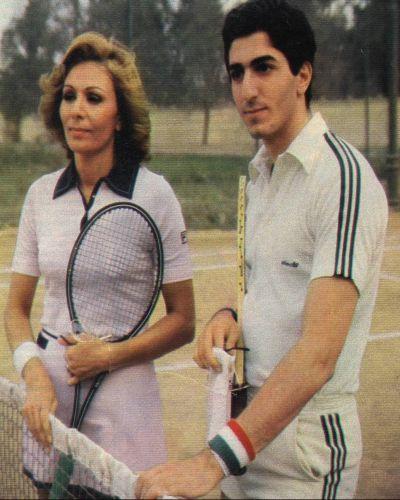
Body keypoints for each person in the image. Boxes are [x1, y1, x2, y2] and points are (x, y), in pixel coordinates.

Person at [134, 0, 388, 498]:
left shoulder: (342, 179)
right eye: (236, 72)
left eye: (264, 67)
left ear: (303, 75)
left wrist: (211, 461)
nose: (247, 89)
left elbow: (317, 356)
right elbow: (270, 286)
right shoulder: (259, 173)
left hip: (305, 461)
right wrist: (232, 313)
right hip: (245, 444)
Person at [4, 32, 195, 498]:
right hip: (48, 393)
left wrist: (108, 356)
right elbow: (16, 310)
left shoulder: (155, 196)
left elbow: (184, 321)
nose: (77, 110)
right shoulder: (39, 196)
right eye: (69, 97)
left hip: (124, 392)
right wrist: (34, 376)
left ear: (120, 118)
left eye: (94, 98)